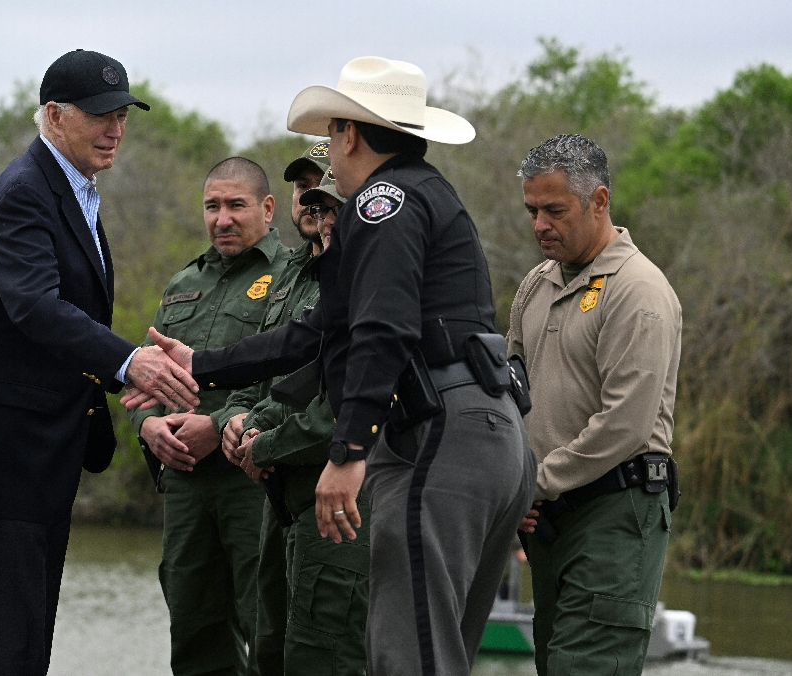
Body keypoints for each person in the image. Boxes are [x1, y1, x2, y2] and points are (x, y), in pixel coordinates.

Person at [126, 56, 536, 676]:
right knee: (436, 653)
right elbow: (319, 334)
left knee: (408, 658)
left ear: (350, 134)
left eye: (329, 137)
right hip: (485, 430)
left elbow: (382, 332)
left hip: (439, 433)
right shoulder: (420, 195)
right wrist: (203, 364)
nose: (327, 154)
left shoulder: (383, 201)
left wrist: (347, 454)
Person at [0, 49, 200, 676]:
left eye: (122, 114)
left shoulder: (72, 190)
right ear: (53, 116)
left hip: (43, 455)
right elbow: (35, 308)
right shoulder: (22, 193)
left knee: (26, 649)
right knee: (11, 651)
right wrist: (132, 361)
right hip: (0, 456)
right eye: (99, 115)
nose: (115, 128)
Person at [510, 134, 682, 675]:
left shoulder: (639, 290)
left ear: (599, 201)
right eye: (532, 210)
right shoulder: (534, 287)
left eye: (554, 210)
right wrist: (513, 481)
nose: (540, 224)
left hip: (615, 513)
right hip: (547, 517)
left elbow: (625, 425)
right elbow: (510, 397)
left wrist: (532, 482)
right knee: (552, 663)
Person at [129, 157, 292, 676]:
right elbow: (148, 377)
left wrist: (219, 424)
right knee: (193, 626)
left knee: (266, 625)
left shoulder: (291, 277)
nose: (222, 218)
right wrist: (148, 425)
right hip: (185, 487)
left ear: (267, 208)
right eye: (212, 206)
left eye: (236, 205)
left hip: (254, 483)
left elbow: (296, 377)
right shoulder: (182, 284)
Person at [223, 158, 368, 676]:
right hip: (278, 492)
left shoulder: (366, 281)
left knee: (325, 652)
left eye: (326, 196)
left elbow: (338, 405)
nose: (313, 207)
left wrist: (262, 444)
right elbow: (273, 375)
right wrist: (240, 423)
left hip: (336, 488)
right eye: (305, 192)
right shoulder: (284, 276)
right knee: (271, 649)